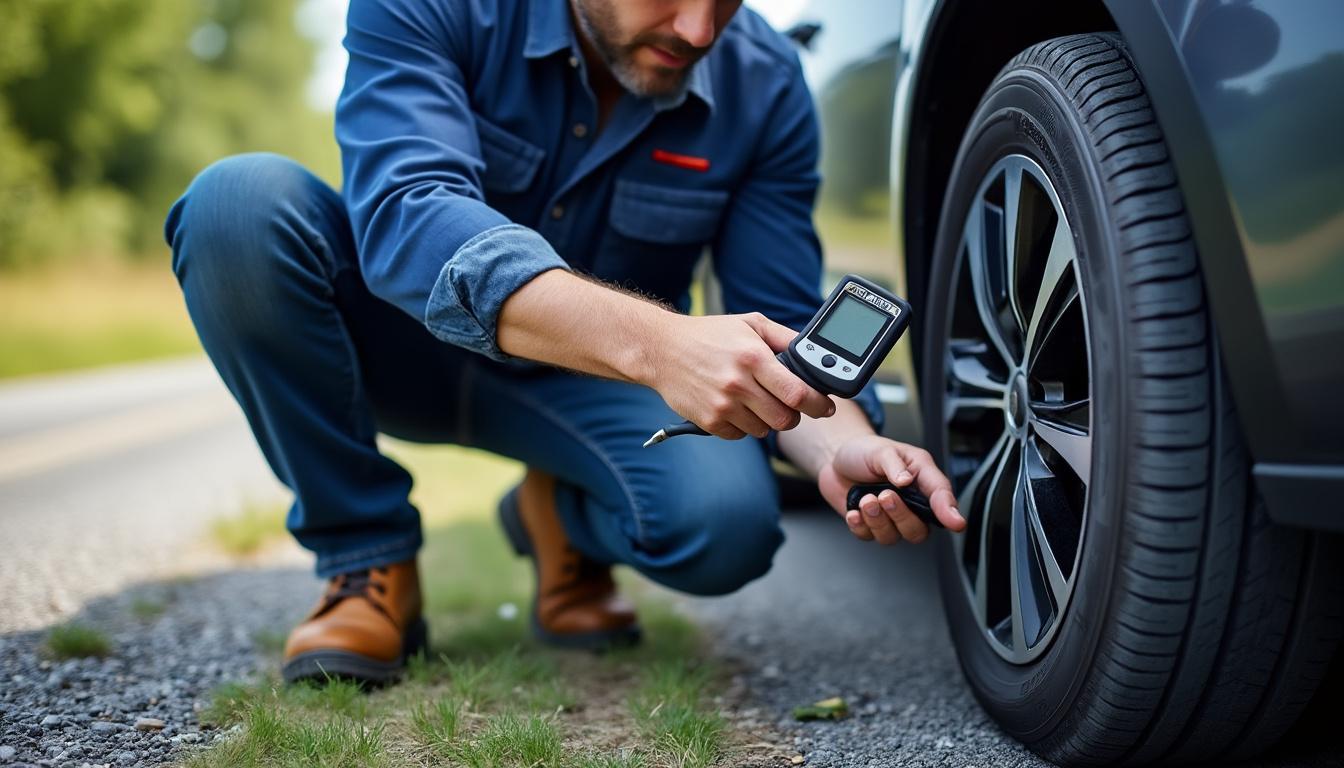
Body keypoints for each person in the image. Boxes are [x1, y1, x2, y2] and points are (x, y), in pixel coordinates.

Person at [164, 0, 965, 685]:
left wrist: (842, 450)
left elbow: (782, 328)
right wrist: (661, 345)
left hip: (584, 389)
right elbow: (409, 211)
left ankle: (557, 515)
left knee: (728, 529)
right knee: (236, 206)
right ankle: (364, 559)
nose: (697, 29)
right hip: (395, 345)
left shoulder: (766, 82)